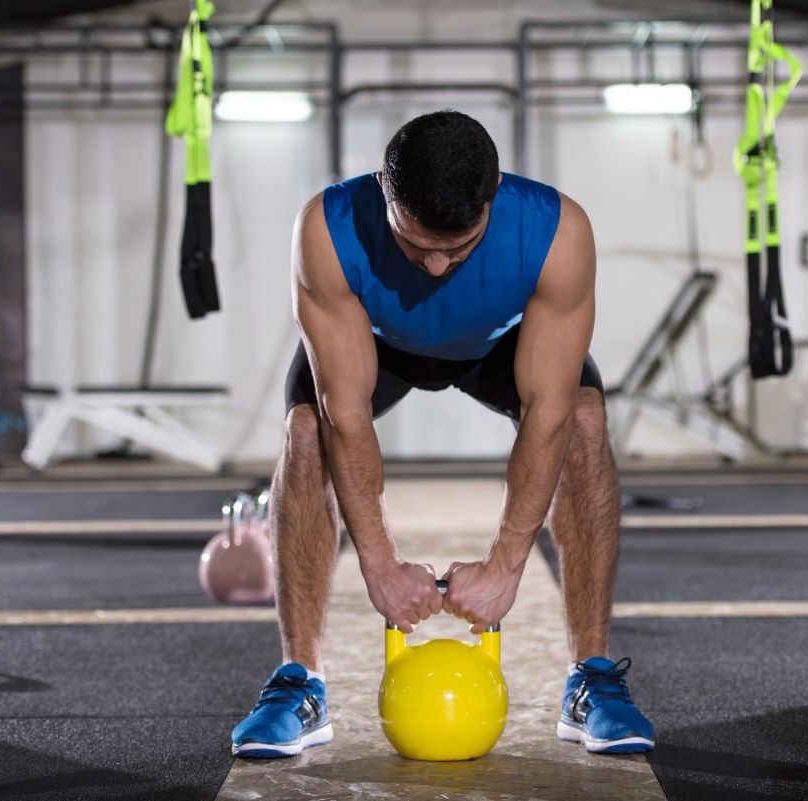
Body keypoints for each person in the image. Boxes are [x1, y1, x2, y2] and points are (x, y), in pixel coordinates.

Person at [229, 110, 654, 758]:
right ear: (383, 191)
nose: (432, 266)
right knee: (309, 428)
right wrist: (378, 561)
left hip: (497, 343)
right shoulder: (329, 228)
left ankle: (590, 675)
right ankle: (299, 680)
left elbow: (548, 410)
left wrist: (508, 562)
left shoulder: (556, 231)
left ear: (493, 196)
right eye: (414, 242)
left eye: (456, 248)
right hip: (377, 341)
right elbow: (346, 410)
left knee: (586, 422)